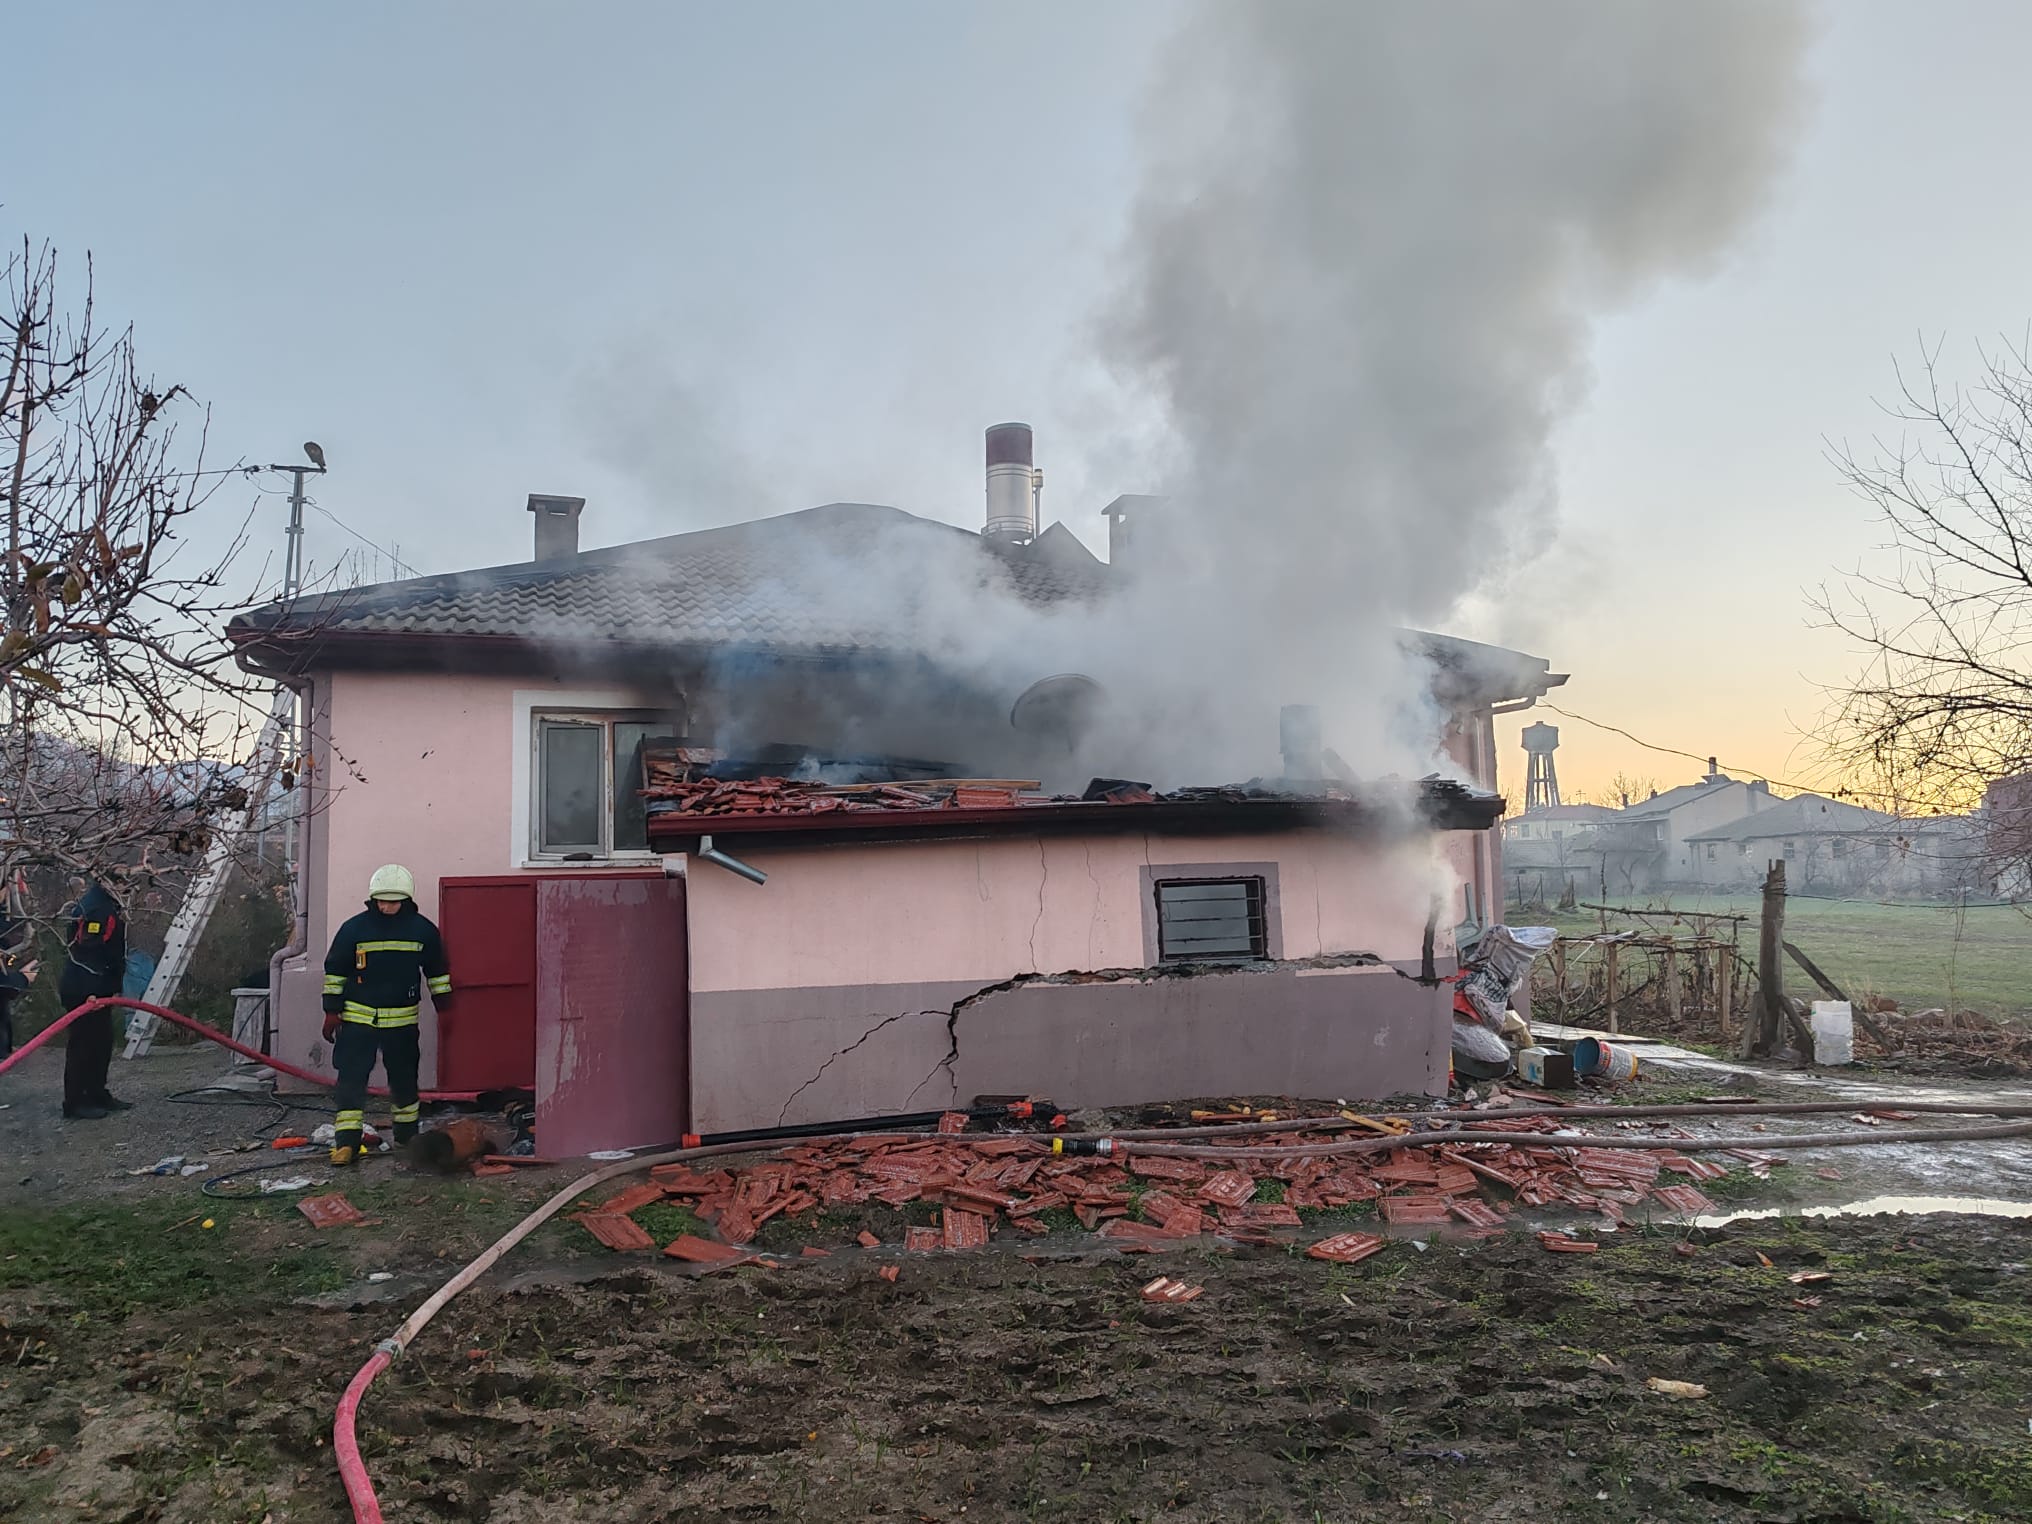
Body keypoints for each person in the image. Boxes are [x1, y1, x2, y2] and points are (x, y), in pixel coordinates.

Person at [322, 864, 452, 1165]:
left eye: (393, 902)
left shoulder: (423, 930)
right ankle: (346, 1144)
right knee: (351, 1081)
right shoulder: (353, 929)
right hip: (358, 1022)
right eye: (382, 901)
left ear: (406, 900)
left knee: (404, 1083)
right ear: (373, 899)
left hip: (402, 1025)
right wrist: (331, 1010)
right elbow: (335, 972)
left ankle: (407, 1140)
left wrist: (445, 1008)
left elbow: (438, 972)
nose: (386, 906)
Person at [61, 874, 130, 1120]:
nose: (126, 888)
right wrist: (92, 990)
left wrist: (111, 986)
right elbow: (87, 951)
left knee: (101, 1043)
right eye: (122, 882)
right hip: (85, 988)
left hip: (99, 987)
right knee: (83, 1045)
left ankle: (96, 1093)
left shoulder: (105, 905)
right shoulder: (96, 909)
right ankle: (75, 1101)